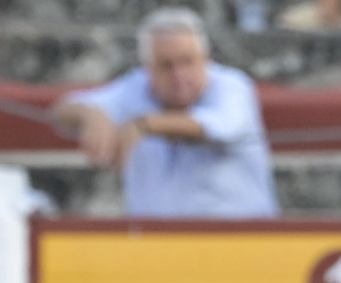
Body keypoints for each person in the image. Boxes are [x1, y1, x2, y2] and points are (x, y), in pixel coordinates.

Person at [54, 6, 277, 220]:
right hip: (152, 246)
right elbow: (62, 111)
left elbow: (214, 126)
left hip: (239, 244)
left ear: (205, 59)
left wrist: (144, 126)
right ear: (148, 67)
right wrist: (91, 115)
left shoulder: (232, 87)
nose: (179, 75)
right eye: (166, 66)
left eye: (187, 62)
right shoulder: (136, 87)